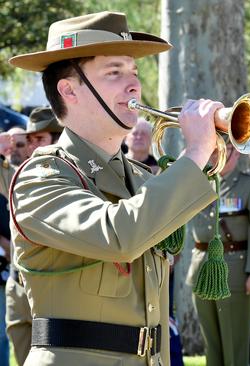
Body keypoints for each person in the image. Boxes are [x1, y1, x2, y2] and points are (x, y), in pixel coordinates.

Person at [8, 11, 221, 366]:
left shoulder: (141, 178)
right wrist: (195, 153)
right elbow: (119, 236)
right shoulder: (41, 177)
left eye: (134, 73)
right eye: (114, 73)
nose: (134, 84)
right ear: (69, 90)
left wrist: (208, 158)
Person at [186, 142, 250, 366]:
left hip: (233, 270)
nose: (218, 155)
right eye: (213, 149)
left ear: (236, 153)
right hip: (201, 269)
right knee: (210, 344)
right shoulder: (197, 182)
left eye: (225, 149)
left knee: (234, 345)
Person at [0, 107, 63, 366]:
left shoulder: (65, 176)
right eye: (30, 140)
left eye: (40, 139)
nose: (32, 147)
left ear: (57, 141)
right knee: (21, 350)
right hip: (17, 282)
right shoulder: (16, 175)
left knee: (47, 357)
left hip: (45, 285)